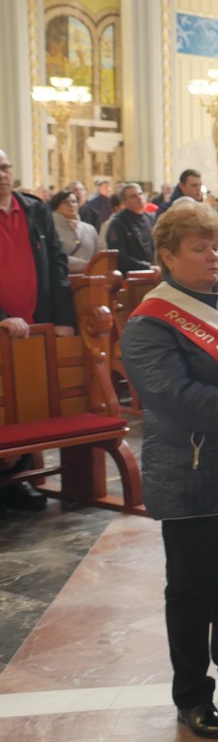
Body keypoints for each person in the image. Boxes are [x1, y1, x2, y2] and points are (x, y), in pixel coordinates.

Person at [121, 201, 218, 740]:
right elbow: (176, 397)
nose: (214, 256)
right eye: (199, 248)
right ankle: (192, 694)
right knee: (192, 591)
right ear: (166, 256)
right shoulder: (148, 323)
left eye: (216, 246)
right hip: (190, 476)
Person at [0, 149, 76, 512]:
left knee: (31, 402)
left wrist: (63, 319)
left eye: (4, 166)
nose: (0, 174)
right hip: (1, 327)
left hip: (36, 325)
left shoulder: (34, 210)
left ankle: (20, 483)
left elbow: (57, 264)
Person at [108, 182, 157, 272]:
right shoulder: (118, 223)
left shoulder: (150, 219)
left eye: (140, 194)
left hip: (154, 271)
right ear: (124, 202)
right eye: (133, 196)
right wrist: (146, 266)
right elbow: (119, 255)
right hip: (132, 275)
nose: (139, 198)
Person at [50, 188, 100, 272]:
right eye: (65, 202)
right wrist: (85, 265)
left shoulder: (89, 229)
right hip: (62, 277)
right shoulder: (50, 228)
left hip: (89, 279)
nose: (71, 205)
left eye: (74, 202)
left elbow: (98, 253)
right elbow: (54, 255)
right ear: (56, 206)